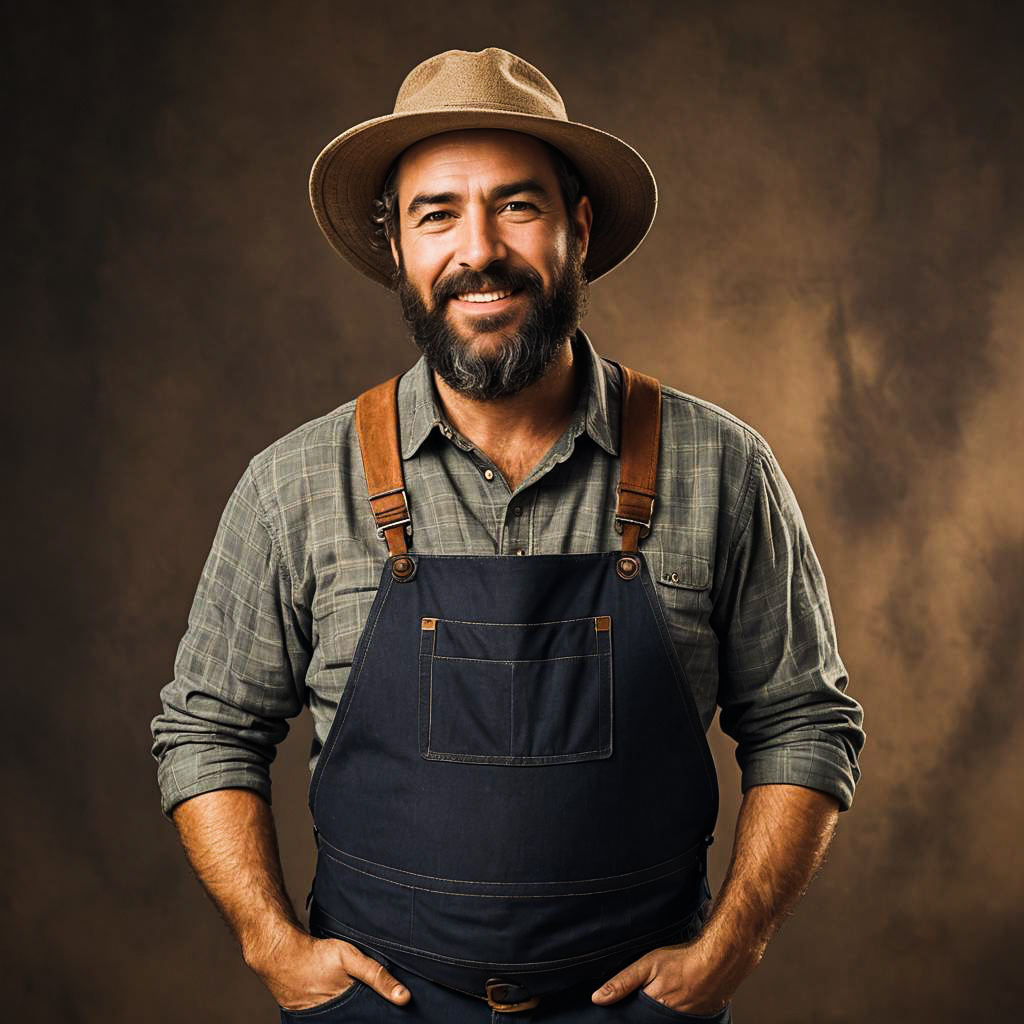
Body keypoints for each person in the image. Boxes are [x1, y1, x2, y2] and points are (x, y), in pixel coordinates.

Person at [151, 47, 864, 1023]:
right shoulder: (294, 487)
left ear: (576, 227)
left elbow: (803, 721)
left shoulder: (722, 468)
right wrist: (268, 940)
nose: (477, 248)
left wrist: (732, 944)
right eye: (436, 212)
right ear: (396, 247)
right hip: (374, 1010)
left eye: (516, 206)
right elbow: (206, 729)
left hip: (637, 1011)